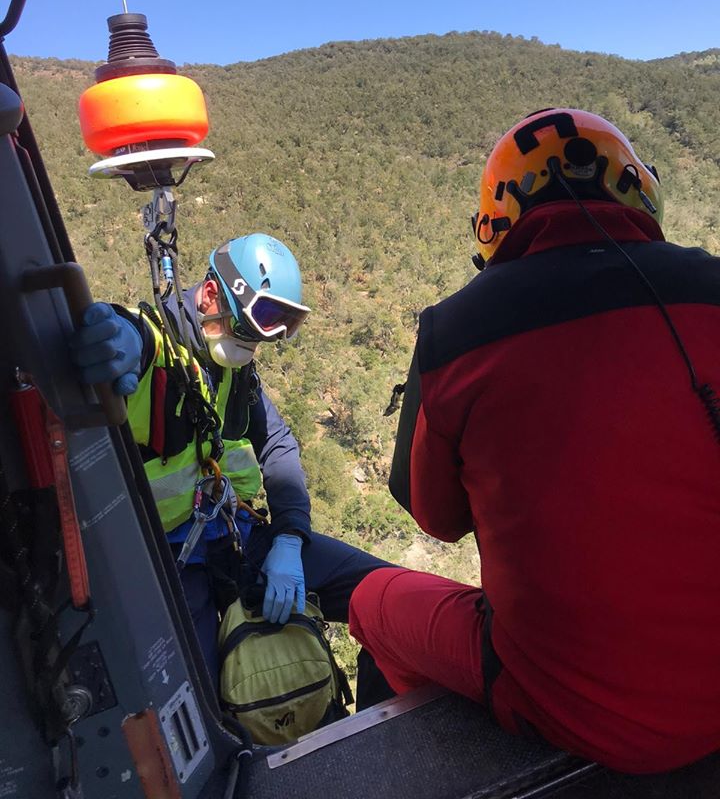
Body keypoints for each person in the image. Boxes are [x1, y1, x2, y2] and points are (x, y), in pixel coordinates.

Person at [348, 108, 720, 773]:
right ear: (637, 187)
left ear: (496, 221)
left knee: (371, 604)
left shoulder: (456, 332)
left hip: (580, 712)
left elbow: (436, 520)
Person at [70, 232, 392, 696]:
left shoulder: (237, 372)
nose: (263, 337)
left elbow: (278, 445)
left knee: (385, 592)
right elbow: (134, 339)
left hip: (238, 539)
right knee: (202, 701)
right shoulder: (156, 354)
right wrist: (115, 335)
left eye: (281, 324)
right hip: (171, 564)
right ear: (210, 293)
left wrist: (287, 540)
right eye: (263, 316)